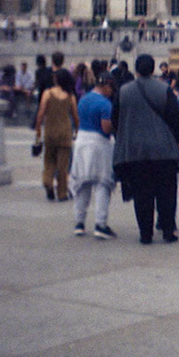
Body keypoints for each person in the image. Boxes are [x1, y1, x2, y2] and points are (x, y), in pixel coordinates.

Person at [112, 54, 179, 244]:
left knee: (142, 194)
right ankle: (168, 231)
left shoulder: (123, 91)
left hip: (135, 151)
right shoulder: (163, 89)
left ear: (136, 70)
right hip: (163, 150)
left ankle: (146, 233)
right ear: (153, 70)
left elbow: (115, 119)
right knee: (167, 192)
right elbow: (176, 117)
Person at [71, 77, 118, 239]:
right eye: (111, 88)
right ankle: (100, 224)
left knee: (82, 184)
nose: (111, 92)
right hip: (99, 144)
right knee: (102, 184)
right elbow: (106, 128)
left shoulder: (83, 100)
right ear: (105, 86)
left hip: (81, 142)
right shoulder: (105, 104)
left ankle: (79, 223)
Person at [35, 68, 79, 202]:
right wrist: (77, 129)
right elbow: (75, 116)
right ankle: (62, 193)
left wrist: (38, 131)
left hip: (50, 131)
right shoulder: (70, 96)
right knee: (63, 165)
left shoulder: (48, 93)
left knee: (49, 161)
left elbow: (41, 113)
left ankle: (47, 182)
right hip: (65, 132)